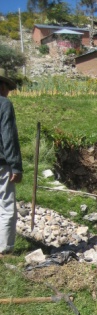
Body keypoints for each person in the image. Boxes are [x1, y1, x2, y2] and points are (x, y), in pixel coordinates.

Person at [0, 68, 23, 258]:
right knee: (6, 205)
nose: (8, 92)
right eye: (8, 88)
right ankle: (5, 249)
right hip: (1, 163)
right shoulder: (3, 104)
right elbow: (8, 136)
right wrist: (15, 165)